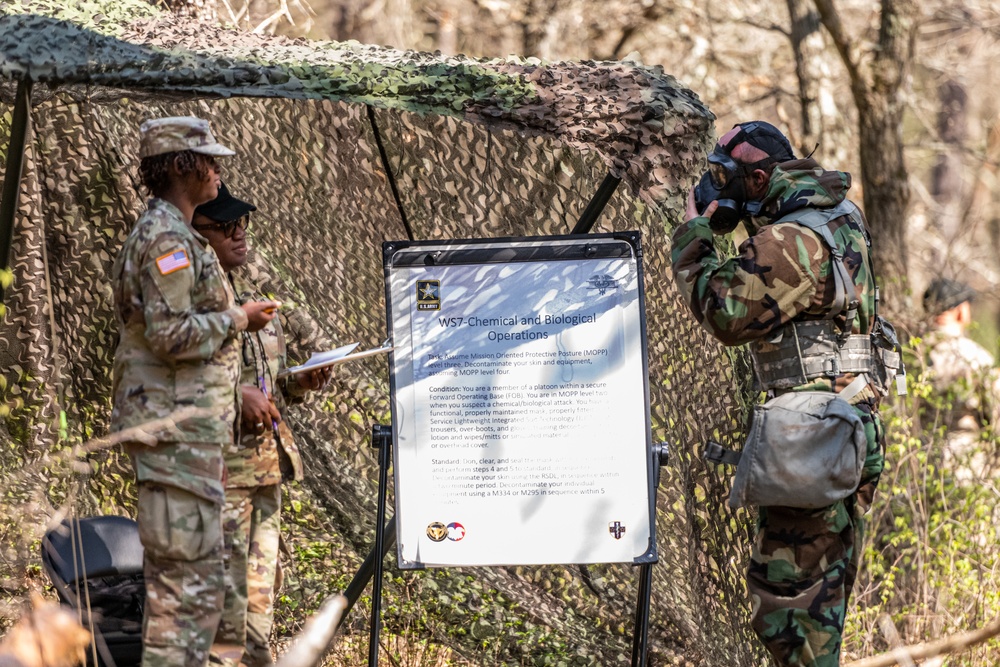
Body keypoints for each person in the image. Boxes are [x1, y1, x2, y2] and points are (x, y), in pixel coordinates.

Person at [670, 121, 893, 666]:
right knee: (820, 600)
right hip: (842, 423)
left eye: (725, 177)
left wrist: (694, 232)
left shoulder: (791, 241)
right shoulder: (839, 218)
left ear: (761, 176)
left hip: (811, 432)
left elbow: (725, 310)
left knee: (792, 609)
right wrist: (740, 213)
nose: (715, 186)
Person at [110, 117, 278, 667]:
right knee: (180, 603)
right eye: (209, 160)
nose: (217, 171)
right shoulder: (166, 238)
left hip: (192, 442)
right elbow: (170, 333)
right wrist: (238, 318)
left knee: (198, 599)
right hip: (175, 440)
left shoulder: (175, 233)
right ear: (183, 166)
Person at [194, 184, 334, 667]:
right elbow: (166, 381)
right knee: (221, 604)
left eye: (241, 223)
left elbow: (265, 386)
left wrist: (299, 382)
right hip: (216, 472)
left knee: (258, 596)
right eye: (224, 227)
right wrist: (235, 398)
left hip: (264, 467)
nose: (238, 235)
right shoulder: (187, 300)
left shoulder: (252, 293)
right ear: (196, 234)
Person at [921, 278, 1000, 471]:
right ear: (960, 311)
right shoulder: (975, 357)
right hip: (968, 463)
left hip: (921, 459)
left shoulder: (911, 355)